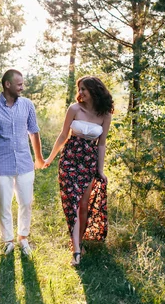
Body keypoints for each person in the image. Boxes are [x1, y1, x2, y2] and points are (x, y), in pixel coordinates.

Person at [44, 76, 113, 266]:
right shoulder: (74, 109)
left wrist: (100, 170)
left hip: (89, 161)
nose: (80, 93)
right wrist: (50, 158)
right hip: (70, 158)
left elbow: (102, 144)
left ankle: (79, 242)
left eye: (84, 89)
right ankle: (76, 251)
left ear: (95, 91)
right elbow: (63, 135)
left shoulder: (105, 114)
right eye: (79, 89)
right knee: (71, 202)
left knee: (84, 204)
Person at [0, 69, 45, 257]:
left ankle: (23, 237)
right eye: (19, 84)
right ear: (7, 85)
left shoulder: (27, 105)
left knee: (26, 202)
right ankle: (7, 240)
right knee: (4, 205)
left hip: (25, 164)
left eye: (22, 84)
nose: (22, 87)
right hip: (1, 166)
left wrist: (38, 158)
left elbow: (34, 132)